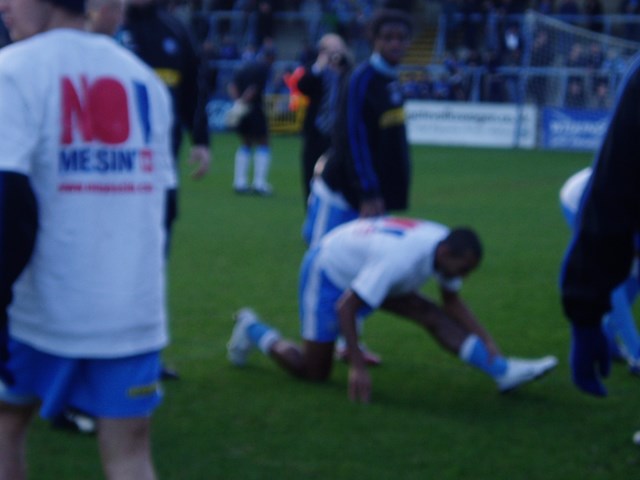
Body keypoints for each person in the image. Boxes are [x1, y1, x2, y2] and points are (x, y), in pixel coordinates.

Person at [0, 0, 175, 477]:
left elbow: (7, 201)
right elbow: (166, 206)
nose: (3, 6)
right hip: (130, 311)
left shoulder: (13, 70)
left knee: (6, 429)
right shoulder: (144, 79)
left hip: (35, 310)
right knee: (131, 455)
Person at [228, 216, 558, 403]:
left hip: (364, 264)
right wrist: (357, 366)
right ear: (445, 253)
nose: (463, 276)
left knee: (430, 314)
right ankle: (251, 328)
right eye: (463, 269)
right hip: (328, 270)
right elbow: (347, 307)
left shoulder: (444, 249)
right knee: (314, 371)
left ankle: (502, 372)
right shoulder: (402, 259)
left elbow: (451, 302)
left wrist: (486, 339)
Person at [301, 8, 414, 364]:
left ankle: (349, 342)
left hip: (374, 196)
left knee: (364, 268)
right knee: (323, 263)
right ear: (374, 41)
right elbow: (351, 138)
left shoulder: (393, 81)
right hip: (340, 193)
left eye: (401, 37)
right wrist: (368, 192)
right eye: (388, 38)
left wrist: (387, 194)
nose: (395, 43)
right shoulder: (362, 78)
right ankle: (315, 344)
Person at [560, 52, 640, 397]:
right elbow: (609, 198)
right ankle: (630, 347)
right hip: (579, 199)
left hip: (611, 203)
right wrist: (585, 315)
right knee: (621, 279)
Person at [560, 167, 640, 373]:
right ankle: (636, 353)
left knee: (635, 270)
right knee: (610, 272)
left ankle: (608, 336)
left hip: (618, 202)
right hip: (580, 200)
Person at [297, 33, 351, 205]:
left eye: (338, 48)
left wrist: (343, 64)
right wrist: (319, 66)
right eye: (330, 49)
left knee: (338, 178)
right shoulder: (315, 70)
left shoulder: (347, 72)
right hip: (316, 133)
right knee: (310, 177)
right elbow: (302, 86)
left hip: (339, 134)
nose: (334, 53)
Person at [227, 44, 276, 196]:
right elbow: (253, 90)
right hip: (254, 109)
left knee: (245, 143)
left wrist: (237, 103)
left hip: (243, 109)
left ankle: (239, 182)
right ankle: (259, 183)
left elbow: (231, 85)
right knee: (263, 141)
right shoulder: (263, 69)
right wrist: (244, 101)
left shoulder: (244, 67)